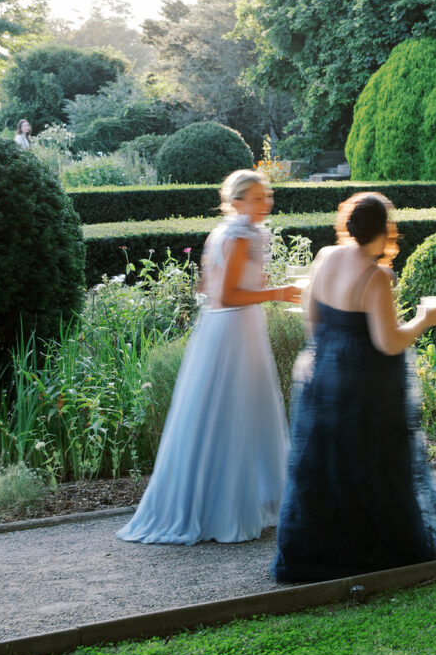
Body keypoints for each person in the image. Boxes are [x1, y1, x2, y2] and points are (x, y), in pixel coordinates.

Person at [272, 191, 436, 583]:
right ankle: (375, 550)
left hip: (321, 378)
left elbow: (311, 320)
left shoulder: (326, 257)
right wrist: (425, 318)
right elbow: (389, 342)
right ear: (385, 229)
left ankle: (317, 552)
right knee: (373, 467)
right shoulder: (375, 276)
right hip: (365, 387)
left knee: (326, 469)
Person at [117, 169, 302, 545]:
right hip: (232, 332)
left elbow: (209, 284)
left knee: (242, 414)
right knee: (229, 416)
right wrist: (277, 293)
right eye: (256, 197)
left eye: (267, 195)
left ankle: (238, 500)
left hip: (239, 330)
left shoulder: (244, 232)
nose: (265, 202)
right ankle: (222, 511)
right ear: (236, 202)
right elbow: (226, 297)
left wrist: (259, 286)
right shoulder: (235, 234)